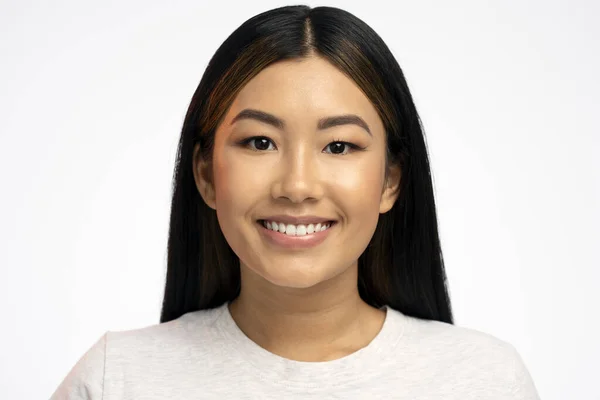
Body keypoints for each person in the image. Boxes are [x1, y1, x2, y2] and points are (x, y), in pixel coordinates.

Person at [51, 5, 540, 399]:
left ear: (391, 179)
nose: (298, 185)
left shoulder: (485, 381)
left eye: (340, 146)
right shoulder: (118, 380)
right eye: (260, 142)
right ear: (205, 174)